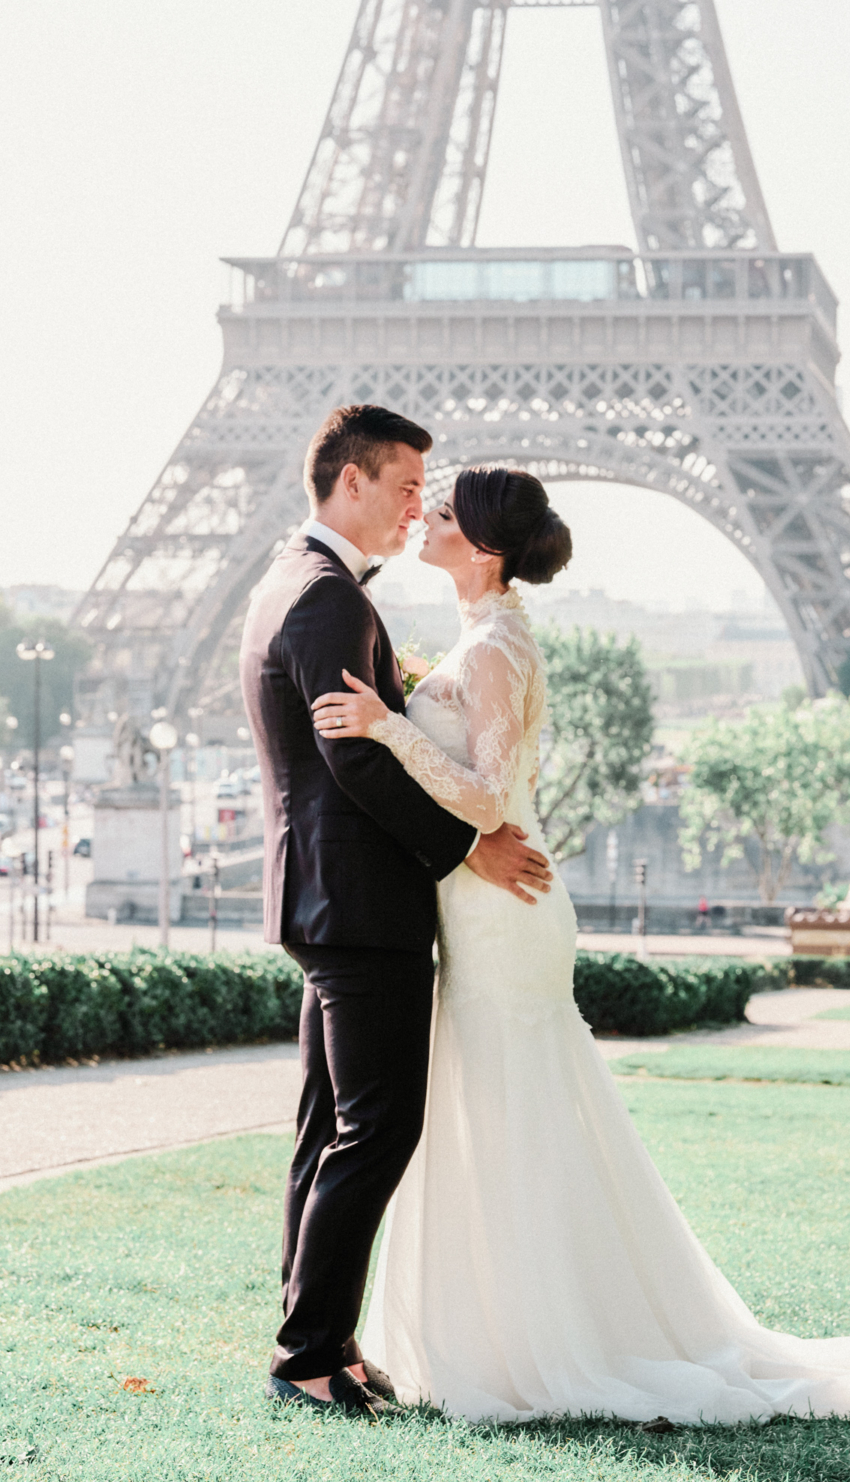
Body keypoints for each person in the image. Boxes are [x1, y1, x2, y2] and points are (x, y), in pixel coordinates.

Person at [310, 464, 850, 1425]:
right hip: (487, 903)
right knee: (498, 1112)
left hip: (505, 905)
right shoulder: (482, 636)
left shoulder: (496, 643)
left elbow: (490, 799)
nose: (425, 519)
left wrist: (385, 725)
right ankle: (517, 1325)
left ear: (486, 547)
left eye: (445, 513)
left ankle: (535, 1337)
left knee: (509, 1114)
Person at [239, 407, 554, 1417]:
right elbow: (354, 760)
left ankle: (316, 1340)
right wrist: (467, 846)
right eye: (410, 486)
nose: (421, 506)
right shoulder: (328, 599)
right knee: (376, 1127)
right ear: (354, 482)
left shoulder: (305, 582)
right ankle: (310, 1352)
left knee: (331, 1127)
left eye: (436, 495)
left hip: (331, 894)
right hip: (359, 901)